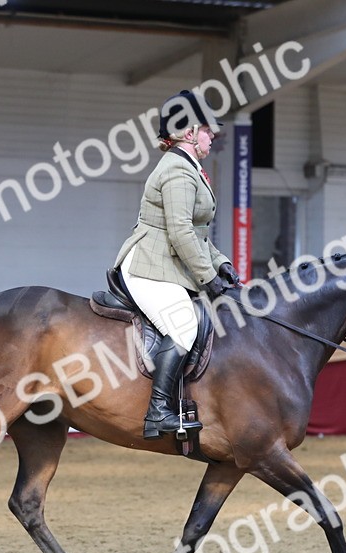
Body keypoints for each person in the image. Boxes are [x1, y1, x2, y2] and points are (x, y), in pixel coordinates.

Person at [113, 90, 237, 439]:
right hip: (148, 266)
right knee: (183, 325)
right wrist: (206, 276)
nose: (212, 135)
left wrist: (221, 263)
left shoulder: (190, 168)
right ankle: (158, 412)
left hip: (166, 262)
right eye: (207, 130)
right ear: (188, 133)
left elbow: (195, 233)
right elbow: (180, 232)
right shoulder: (178, 171)